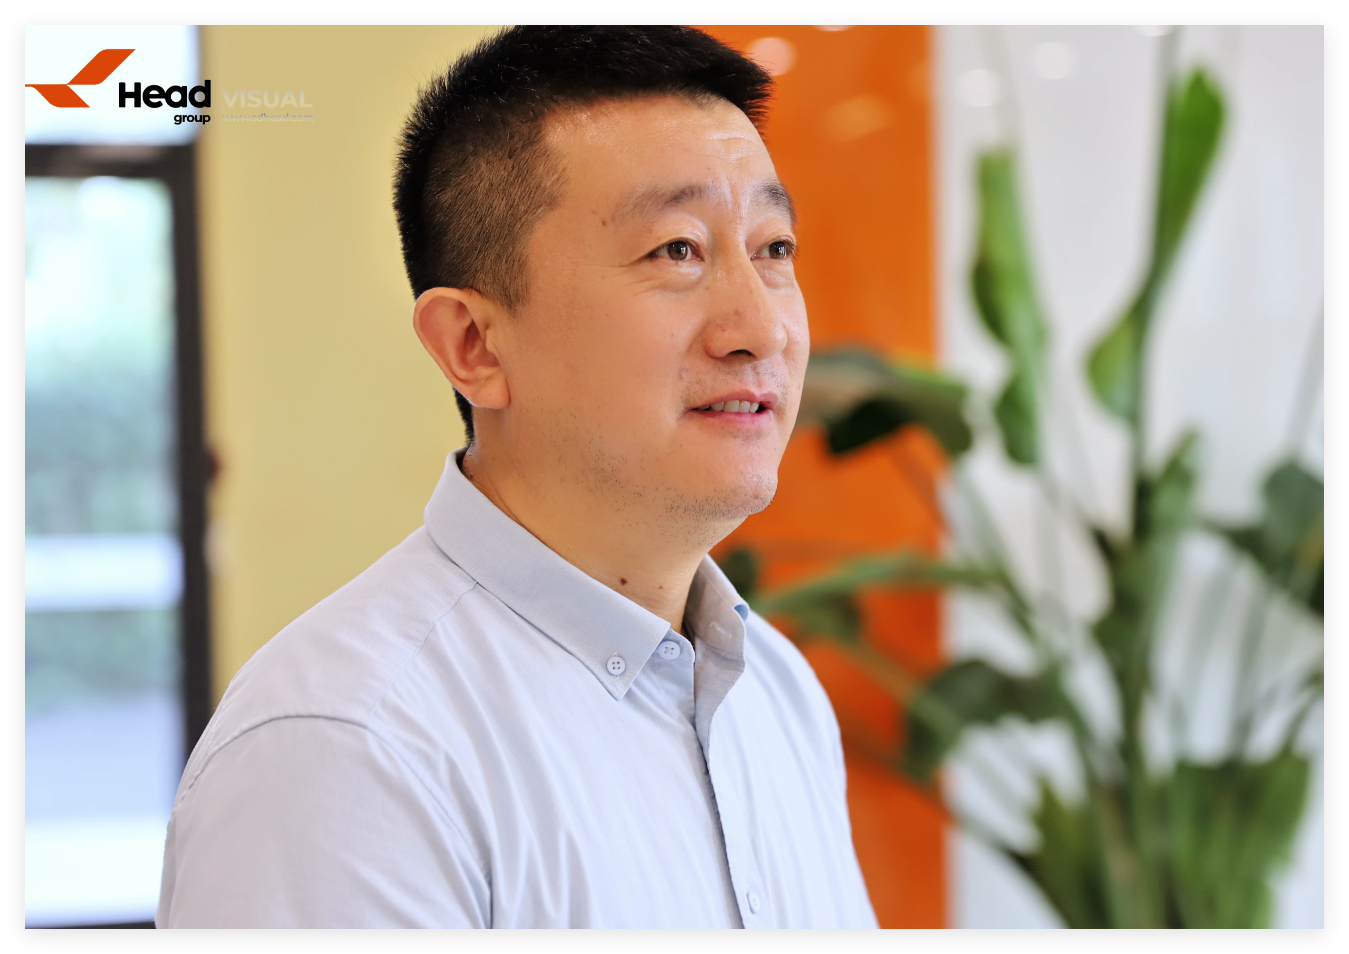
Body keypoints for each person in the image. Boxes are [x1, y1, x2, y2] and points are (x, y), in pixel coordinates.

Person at [157, 24, 876, 928]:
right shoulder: (348, 747)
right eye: (677, 250)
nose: (762, 328)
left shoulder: (774, 691)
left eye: (773, 248)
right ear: (474, 345)